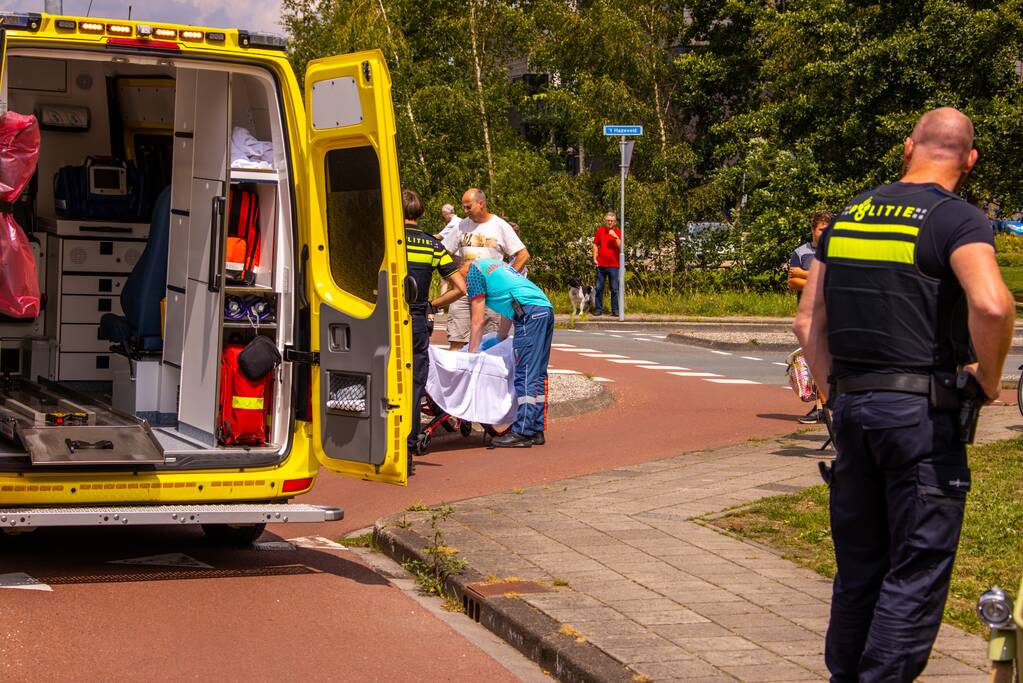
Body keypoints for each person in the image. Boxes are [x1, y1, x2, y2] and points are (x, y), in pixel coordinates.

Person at [794, 107, 1015, 682]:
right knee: (914, 574)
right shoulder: (956, 221)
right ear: (970, 160)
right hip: (921, 419)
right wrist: (988, 381)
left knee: (860, 570)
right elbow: (992, 305)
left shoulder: (850, 216)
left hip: (855, 414)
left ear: (908, 145)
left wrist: (833, 396)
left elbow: (807, 323)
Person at [401, 190, 466, 465]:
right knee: (415, 383)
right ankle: (410, 442)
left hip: (384, 319)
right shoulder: (432, 245)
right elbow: (460, 288)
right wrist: (431, 305)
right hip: (417, 319)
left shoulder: (389, 240)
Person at [463, 257, 553, 448]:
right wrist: (501, 337)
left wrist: (470, 357)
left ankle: (522, 432)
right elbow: (508, 308)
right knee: (537, 374)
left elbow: (477, 320)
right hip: (543, 308)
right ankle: (536, 429)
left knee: (525, 373)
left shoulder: (474, 273)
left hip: (528, 313)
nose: (462, 286)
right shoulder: (497, 267)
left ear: (462, 266)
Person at [442, 188, 530, 350]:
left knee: (488, 344)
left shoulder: (499, 226)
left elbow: (523, 255)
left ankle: (481, 373)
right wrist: (453, 275)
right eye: (463, 207)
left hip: (490, 294)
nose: (465, 211)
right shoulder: (461, 226)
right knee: (456, 340)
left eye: (468, 207)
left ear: (481, 204)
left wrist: (506, 280)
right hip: (464, 291)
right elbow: (443, 252)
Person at [788, 210, 832, 424]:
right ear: (813, 229)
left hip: (831, 310)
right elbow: (792, 281)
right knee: (814, 359)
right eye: (821, 229)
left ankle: (826, 407)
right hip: (809, 312)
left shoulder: (836, 250)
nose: (824, 234)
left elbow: (835, 277)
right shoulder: (801, 252)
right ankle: (820, 407)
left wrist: (804, 274)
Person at [592, 212, 621, 316]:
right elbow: (595, 245)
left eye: (612, 221)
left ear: (615, 222)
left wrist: (615, 236)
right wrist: (594, 257)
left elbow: (621, 247)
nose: (609, 222)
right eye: (608, 220)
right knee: (599, 288)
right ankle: (598, 309)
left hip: (614, 266)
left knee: (614, 289)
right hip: (601, 265)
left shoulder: (618, 231)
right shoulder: (600, 230)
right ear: (605, 221)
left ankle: (615, 310)